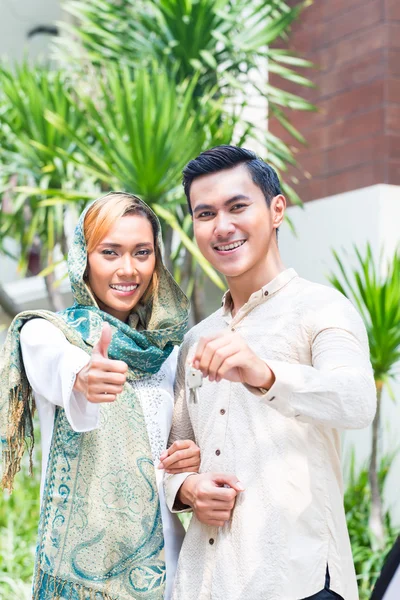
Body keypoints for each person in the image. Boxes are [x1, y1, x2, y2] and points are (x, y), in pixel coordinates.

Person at [161, 146, 377, 600]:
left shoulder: (322, 308)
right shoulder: (196, 340)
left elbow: (356, 400)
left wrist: (264, 374)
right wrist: (188, 488)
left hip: (296, 580)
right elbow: (176, 457)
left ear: (276, 208)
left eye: (238, 206)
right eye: (205, 214)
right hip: (206, 582)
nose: (222, 226)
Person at [0, 192, 200, 600]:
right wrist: (83, 376)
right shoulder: (50, 333)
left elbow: (181, 459)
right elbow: (54, 363)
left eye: (142, 252)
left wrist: (189, 463)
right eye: (110, 252)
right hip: (80, 581)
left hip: (170, 572)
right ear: (84, 258)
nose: (128, 269)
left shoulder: (169, 357)